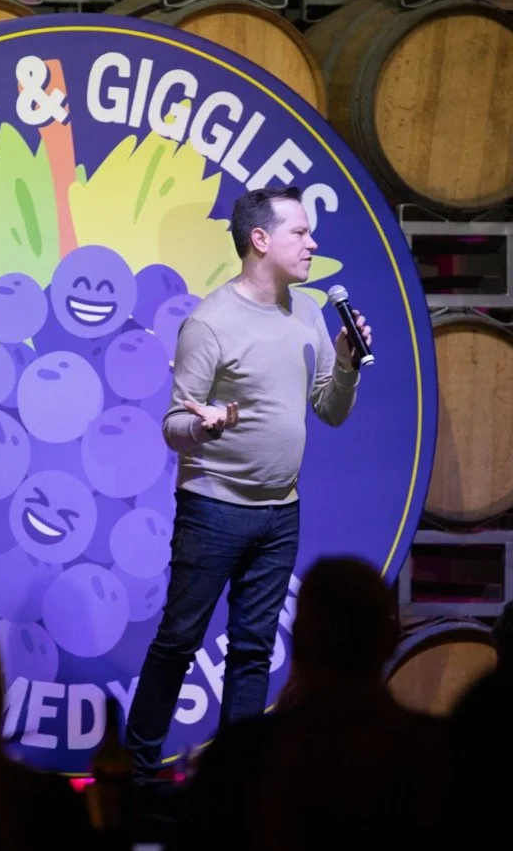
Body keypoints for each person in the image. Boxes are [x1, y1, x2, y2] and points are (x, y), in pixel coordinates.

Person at [124, 186, 372, 779]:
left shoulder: (308, 313)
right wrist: (202, 425)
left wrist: (345, 363)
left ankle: (238, 781)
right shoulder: (210, 324)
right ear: (259, 240)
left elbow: (331, 410)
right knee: (178, 641)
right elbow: (173, 427)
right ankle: (135, 771)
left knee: (253, 650)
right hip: (213, 509)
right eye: (299, 233)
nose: (312, 244)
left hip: (281, 512)